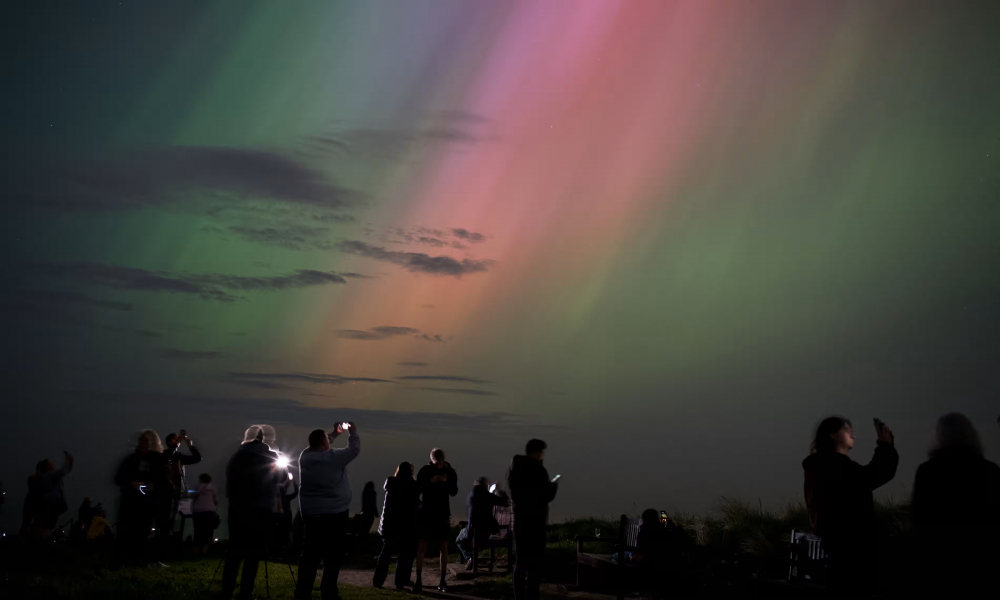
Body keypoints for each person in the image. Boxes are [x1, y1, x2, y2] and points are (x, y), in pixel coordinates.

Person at [802, 416, 897, 595]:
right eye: (847, 429)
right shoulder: (834, 467)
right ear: (832, 434)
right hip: (851, 554)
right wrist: (885, 445)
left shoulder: (821, 466)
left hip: (838, 550)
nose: (853, 434)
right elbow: (873, 475)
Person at [910, 413, 1000, 598]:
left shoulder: (928, 471)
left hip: (940, 560)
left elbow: (919, 519)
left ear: (940, 436)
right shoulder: (990, 470)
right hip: (982, 560)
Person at [295, 422, 361, 600]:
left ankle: (302, 592)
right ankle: (329, 592)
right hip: (335, 514)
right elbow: (354, 450)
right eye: (327, 439)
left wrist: (333, 433)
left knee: (310, 555)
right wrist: (352, 432)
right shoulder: (333, 457)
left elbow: (319, 445)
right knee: (333, 556)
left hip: (311, 514)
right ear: (324, 443)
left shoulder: (305, 457)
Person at [222, 425, 284, 600]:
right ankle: (245, 592)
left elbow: (229, 479)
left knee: (234, 551)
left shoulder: (236, 456)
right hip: (260, 509)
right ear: (265, 440)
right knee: (253, 554)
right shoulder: (270, 456)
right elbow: (282, 477)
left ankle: (227, 589)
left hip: (236, 508)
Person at [507, 439, 558, 600]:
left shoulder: (514, 468)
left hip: (520, 520)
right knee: (535, 565)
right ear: (537, 452)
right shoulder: (538, 470)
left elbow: (515, 494)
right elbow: (546, 496)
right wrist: (553, 486)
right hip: (536, 522)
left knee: (521, 563)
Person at [115, 430, 169, 565]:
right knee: (126, 531)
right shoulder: (131, 459)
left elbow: (163, 480)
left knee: (142, 532)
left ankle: (139, 560)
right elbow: (118, 477)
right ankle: (124, 559)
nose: (139, 443)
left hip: (148, 502)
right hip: (130, 500)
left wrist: (152, 486)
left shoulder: (158, 460)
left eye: (143, 440)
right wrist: (131, 483)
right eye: (140, 441)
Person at [415, 448, 458, 592]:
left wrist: (446, 482)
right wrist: (431, 481)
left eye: (440, 462)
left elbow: (454, 491)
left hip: (442, 513)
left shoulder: (450, 471)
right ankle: (419, 580)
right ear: (432, 461)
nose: (439, 465)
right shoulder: (425, 471)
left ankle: (442, 581)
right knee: (422, 546)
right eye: (436, 462)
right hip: (427, 513)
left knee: (443, 547)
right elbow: (418, 488)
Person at [373, 462, 420, 590]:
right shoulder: (413, 485)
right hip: (406, 526)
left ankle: (378, 581)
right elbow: (415, 503)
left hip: (389, 525)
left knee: (385, 554)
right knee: (405, 555)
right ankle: (400, 582)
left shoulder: (390, 482)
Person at [157, 431, 202, 548]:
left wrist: (190, 444)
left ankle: (167, 545)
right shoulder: (164, 454)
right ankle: (160, 544)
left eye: (177, 439)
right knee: (164, 517)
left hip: (177, 491)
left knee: (173, 518)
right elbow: (167, 457)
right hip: (165, 491)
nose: (177, 441)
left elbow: (197, 458)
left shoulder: (179, 457)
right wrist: (176, 444)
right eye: (174, 439)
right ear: (168, 442)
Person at [456, 477, 508, 569]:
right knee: (464, 537)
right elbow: (505, 502)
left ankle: (470, 558)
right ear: (485, 485)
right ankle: (472, 558)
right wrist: (500, 491)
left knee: (459, 540)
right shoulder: (489, 496)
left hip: (471, 532)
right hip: (485, 533)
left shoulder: (470, 496)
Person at [191, 473, 219, 555]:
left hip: (198, 511)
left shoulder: (197, 487)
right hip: (209, 511)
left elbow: (193, 496)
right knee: (208, 531)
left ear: (201, 479)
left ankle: (196, 550)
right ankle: (205, 550)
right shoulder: (212, 487)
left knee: (198, 531)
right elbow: (216, 500)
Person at [275, 471, 299, 555]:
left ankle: (279, 550)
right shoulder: (286, 497)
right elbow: (295, 493)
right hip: (286, 518)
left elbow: (283, 488)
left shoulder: (279, 498)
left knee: (280, 533)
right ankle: (283, 550)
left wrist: (289, 481)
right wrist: (293, 482)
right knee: (285, 534)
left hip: (281, 518)